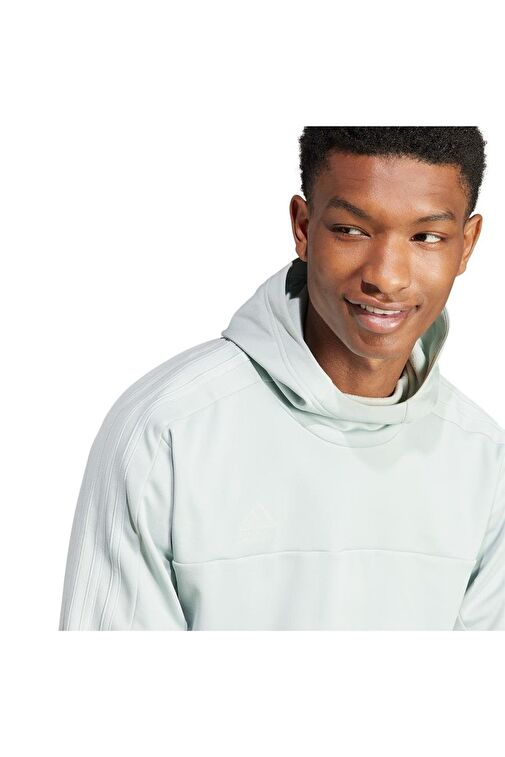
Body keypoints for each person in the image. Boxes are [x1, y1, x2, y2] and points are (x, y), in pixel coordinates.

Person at [58, 126, 505, 631]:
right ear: (303, 227)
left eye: (426, 237)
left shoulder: (486, 461)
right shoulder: (168, 431)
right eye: (351, 230)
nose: (386, 277)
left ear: (466, 244)